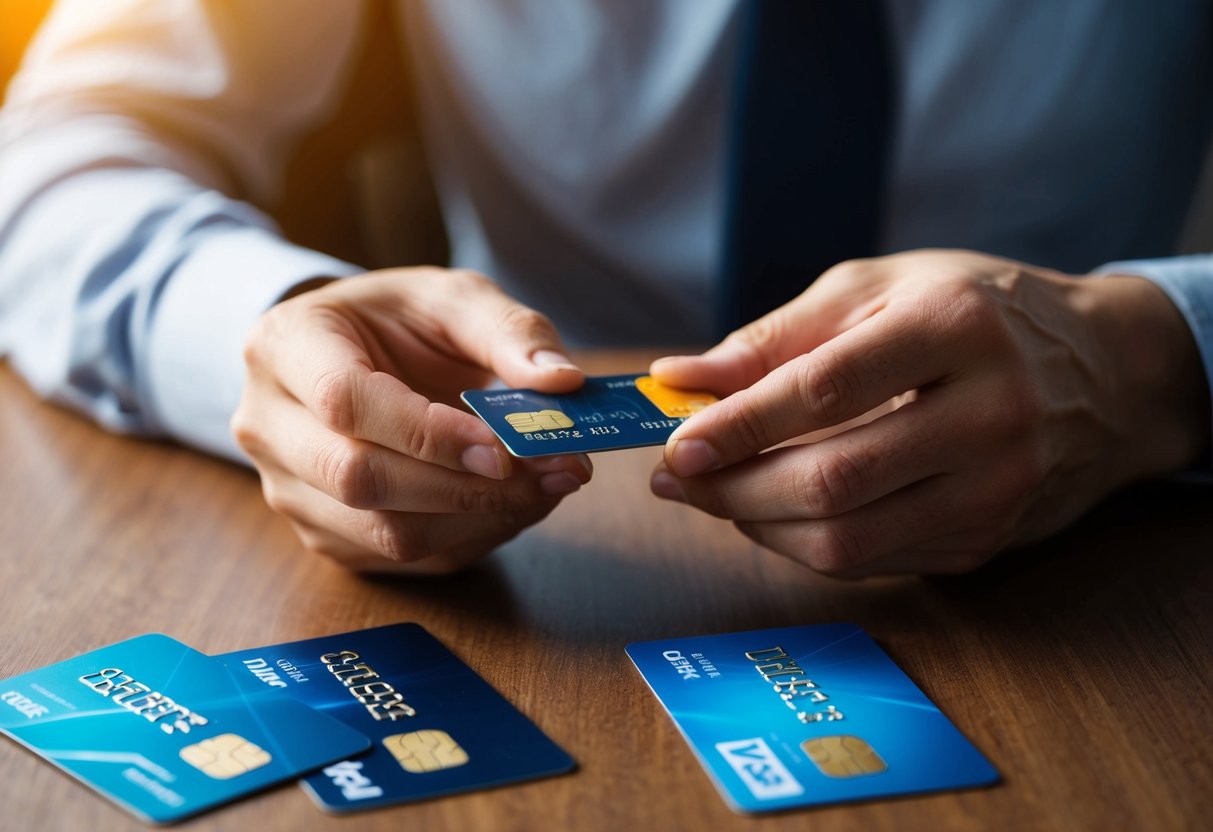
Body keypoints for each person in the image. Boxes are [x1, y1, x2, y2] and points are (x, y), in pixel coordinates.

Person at [0, 1, 1209, 577]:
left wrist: (1154, 353)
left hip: (1108, 556)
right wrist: (266, 333)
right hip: (549, 543)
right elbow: (60, 153)